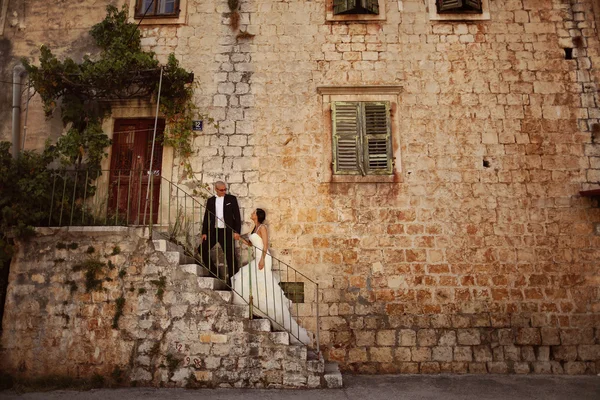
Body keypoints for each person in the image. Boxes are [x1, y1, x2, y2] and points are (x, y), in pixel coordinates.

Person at [232, 208, 312, 345]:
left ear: (257, 216)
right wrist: (240, 239)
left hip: (263, 258)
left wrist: (262, 259)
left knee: (261, 283)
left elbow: (265, 245)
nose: (251, 214)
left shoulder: (262, 228)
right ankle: (258, 308)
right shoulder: (254, 228)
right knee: (243, 279)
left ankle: (272, 314)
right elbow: (251, 244)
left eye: (253, 213)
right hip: (257, 257)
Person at [200, 181, 241, 283]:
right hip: (214, 231)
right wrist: (204, 232)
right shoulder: (210, 201)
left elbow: (237, 216)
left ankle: (233, 282)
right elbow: (207, 217)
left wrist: (237, 231)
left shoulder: (231, 199)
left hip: (227, 232)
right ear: (216, 189)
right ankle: (214, 272)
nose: (224, 191)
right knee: (202, 249)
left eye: (225, 189)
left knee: (230, 256)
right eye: (221, 190)